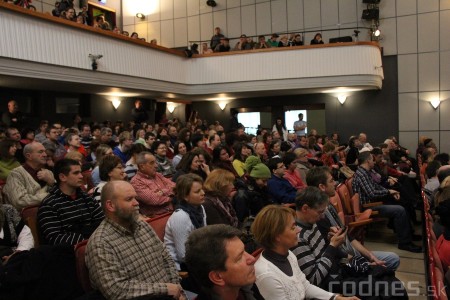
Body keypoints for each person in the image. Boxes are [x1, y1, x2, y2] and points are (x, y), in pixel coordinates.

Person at [292, 187, 407, 298]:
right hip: (331, 283)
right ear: (305, 208)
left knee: (385, 276)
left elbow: (325, 255)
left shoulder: (311, 223)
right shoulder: (299, 237)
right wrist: (332, 246)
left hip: (340, 271)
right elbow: (314, 279)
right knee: (389, 289)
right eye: (320, 212)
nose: (322, 217)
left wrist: (360, 262)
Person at [85, 181, 185, 300]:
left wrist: (177, 289)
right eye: (129, 199)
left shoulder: (142, 226)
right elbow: (116, 290)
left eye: (135, 198)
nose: (136, 203)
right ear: (111, 205)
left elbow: (166, 258)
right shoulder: (101, 243)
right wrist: (166, 289)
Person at [251, 205, 359, 300]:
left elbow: (305, 286)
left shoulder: (288, 255)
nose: (298, 230)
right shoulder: (267, 275)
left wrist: (336, 297)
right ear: (277, 236)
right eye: (293, 227)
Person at [306, 166, 400, 271]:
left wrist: (370, 255)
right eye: (332, 181)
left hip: (353, 254)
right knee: (392, 260)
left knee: (392, 259)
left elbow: (349, 237)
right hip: (345, 262)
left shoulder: (329, 205)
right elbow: (336, 254)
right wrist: (364, 263)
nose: (335, 183)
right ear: (322, 187)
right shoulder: (319, 217)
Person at [352, 151, 422, 252]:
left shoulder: (365, 172)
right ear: (367, 160)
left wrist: (390, 191)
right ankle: (405, 243)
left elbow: (376, 186)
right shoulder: (361, 174)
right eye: (372, 159)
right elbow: (372, 193)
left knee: (401, 202)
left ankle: (408, 235)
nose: (374, 162)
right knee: (399, 210)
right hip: (368, 207)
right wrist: (389, 191)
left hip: (372, 203)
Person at [37, 159, 104, 245]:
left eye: (80, 172)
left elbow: (102, 222)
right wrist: (87, 240)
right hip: (69, 252)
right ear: (62, 177)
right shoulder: (49, 204)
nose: (81, 176)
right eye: (76, 173)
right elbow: (55, 238)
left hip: (95, 243)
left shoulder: (86, 198)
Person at [185, 224, 257, 300]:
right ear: (217, 277)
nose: (252, 259)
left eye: (244, 251)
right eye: (239, 258)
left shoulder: (248, 289)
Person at [164, 174, 206, 270]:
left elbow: (205, 236)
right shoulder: (180, 216)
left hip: (198, 255)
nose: (203, 193)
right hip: (182, 268)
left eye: (202, 189)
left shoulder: (200, 207)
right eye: (197, 191)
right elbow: (183, 255)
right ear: (185, 196)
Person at [3, 142, 55, 211]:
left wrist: (51, 182)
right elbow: (19, 201)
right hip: (25, 218)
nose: (45, 155)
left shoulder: (48, 172)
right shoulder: (16, 174)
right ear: (28, 156)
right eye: (40, 152)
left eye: (45, 152)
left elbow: (60, 195)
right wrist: (47, 196)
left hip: (50, 213)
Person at [130, 151, 175, 216]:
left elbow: (175, 187)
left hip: (172, 210)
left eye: (155, 162)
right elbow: (155, 200)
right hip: (157, 217)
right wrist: (172, 197)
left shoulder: (158, 175)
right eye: (152, 163)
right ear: (142, 166)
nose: (156, 166)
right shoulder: (136, 182)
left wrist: (162, 192)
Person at [234, 155, 272, 222]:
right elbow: (242, 219)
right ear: (255, 178)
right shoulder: (243, 194)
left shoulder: (262, 188)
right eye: (264, 181)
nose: (266, 184)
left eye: (267, 181)